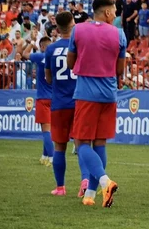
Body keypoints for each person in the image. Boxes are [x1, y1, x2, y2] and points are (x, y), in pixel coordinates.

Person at [67, 0, 127, 207]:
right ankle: (90, 195)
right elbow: (120, 70)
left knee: (81, 142)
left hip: (86, 93)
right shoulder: (119, 33)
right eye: (115, 11)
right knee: (100, 142)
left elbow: (70, 62)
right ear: (108, 13)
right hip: (109, 94)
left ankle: (104, 182)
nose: (116, 15)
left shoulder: (78, 30)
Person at [44, 12, 90, 198]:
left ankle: (60, 187)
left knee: (59, 147)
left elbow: (48, 78)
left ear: (56, 29)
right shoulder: (79, 47)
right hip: (79, 101)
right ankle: (85, 181)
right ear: (73, 25)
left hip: (59, 103)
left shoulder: (50, 49)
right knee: (82, 145)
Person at [24, 37, 54, 167]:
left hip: (43, 98)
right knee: (49, 129)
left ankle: (52, 158)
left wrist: (31, 43)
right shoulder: (55, 58)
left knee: (45, 130)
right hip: (55, 98)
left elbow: (24, 54)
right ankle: (44, 155)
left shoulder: (40, 56)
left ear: (42, 47)